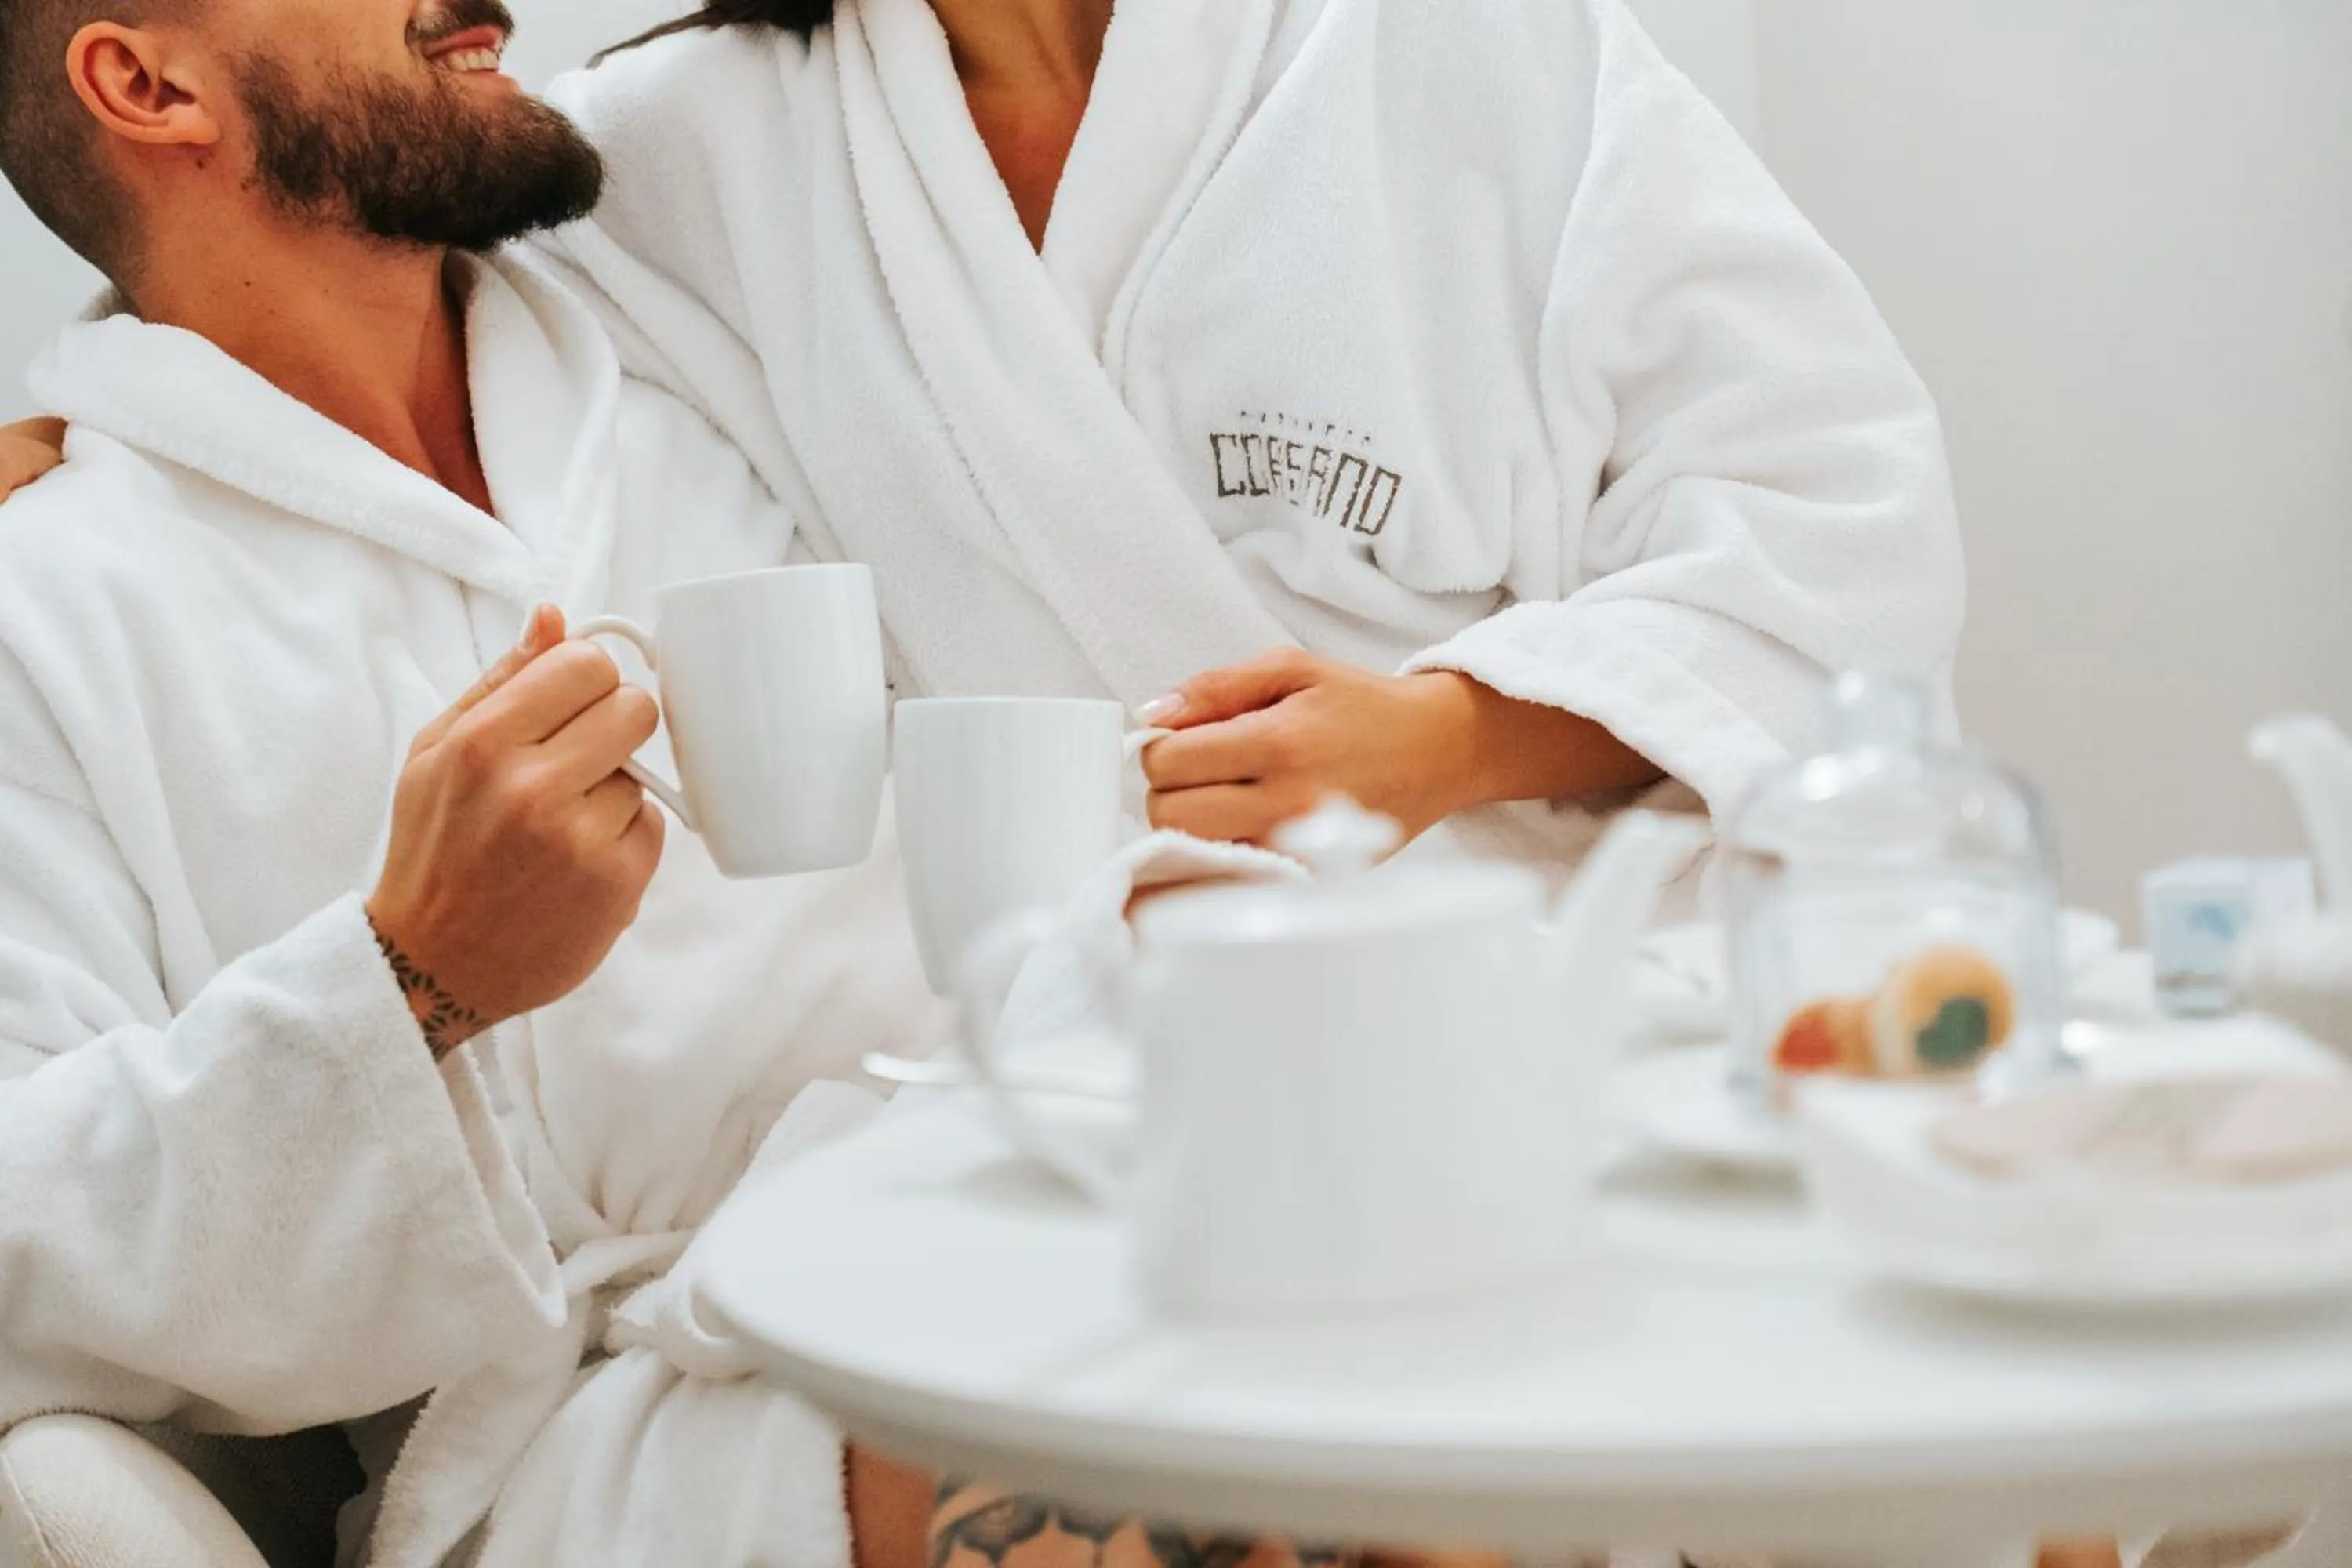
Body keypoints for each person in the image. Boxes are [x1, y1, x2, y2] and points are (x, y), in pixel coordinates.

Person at [0, 1, 972, 1563]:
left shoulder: (689, 323)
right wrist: (413, 979)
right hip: (641, 1423)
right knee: (1161, 1465)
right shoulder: (48, 607)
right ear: (143, 80)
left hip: (1022, 1193)